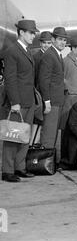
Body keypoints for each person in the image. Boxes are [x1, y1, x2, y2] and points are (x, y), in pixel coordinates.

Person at [1, 19, 39, 182]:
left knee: (25, 135)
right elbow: (10, 79)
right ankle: (8, 171)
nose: (33, 36)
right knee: (13, 135)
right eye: (31, 33)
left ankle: (20, 167)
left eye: (34, 33)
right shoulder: (12, 51)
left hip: (29, 100)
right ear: (21, 33)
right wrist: (14, 102)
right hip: (18, 102)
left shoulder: (27, 50)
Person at [38, 27, 67, 152]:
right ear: (53, 39)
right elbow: (43, 80)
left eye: (64, 40)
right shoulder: (50, 55)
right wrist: (47, 101)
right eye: (60, 39)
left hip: (57, 101)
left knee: (54, 132)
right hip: (52, 101)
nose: (63, 42)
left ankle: (49, 161)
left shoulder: (57, 55)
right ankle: (44, 161)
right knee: (49, 133)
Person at [60, 37, 77, 131]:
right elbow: (61, 78)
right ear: (73, 48)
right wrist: (69, 90)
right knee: (66, 124)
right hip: (70, 100)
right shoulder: (66, 61)